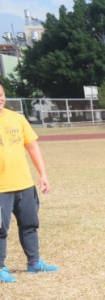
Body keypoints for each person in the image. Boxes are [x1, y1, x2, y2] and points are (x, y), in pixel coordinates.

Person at [0, 83, 59, 283]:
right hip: (1, 189)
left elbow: (32, 148)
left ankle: (34, 263)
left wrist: (43, 174)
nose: (0, 98)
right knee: (0, 229)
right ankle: (0, 268)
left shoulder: (17, 119)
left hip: (24, 184)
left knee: (30, 225)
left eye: (1, 94)